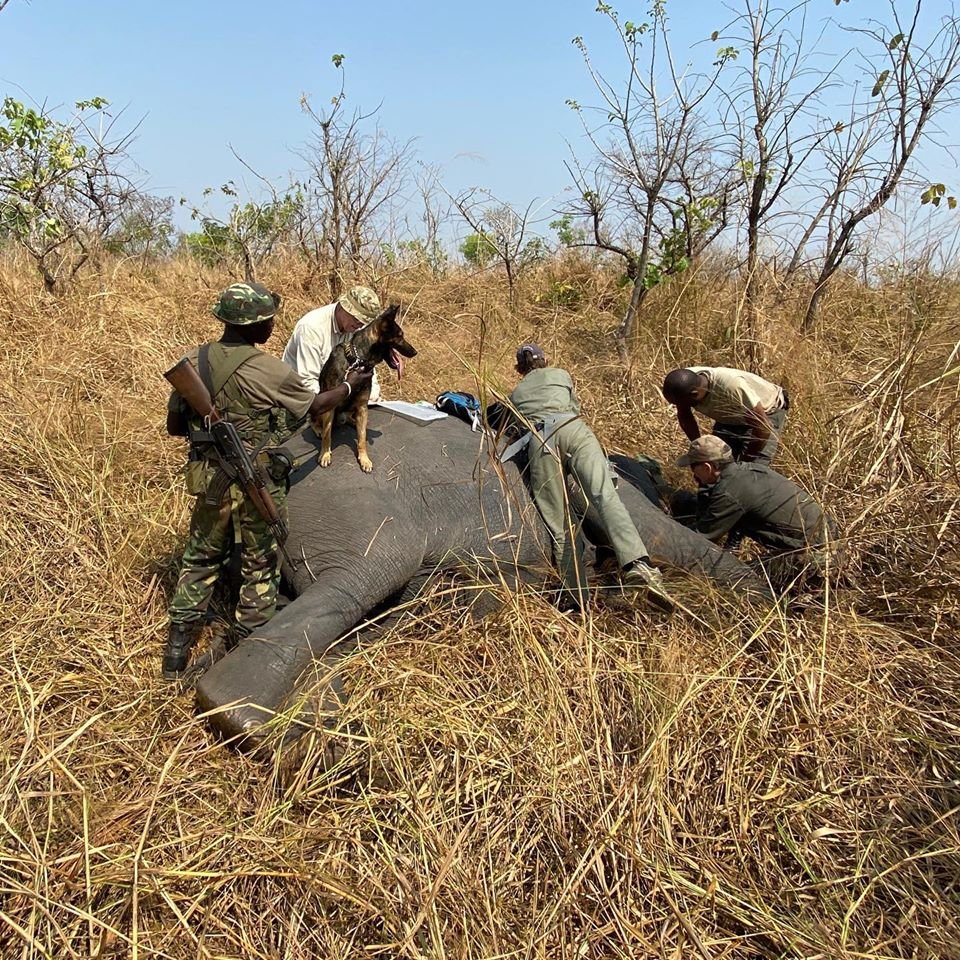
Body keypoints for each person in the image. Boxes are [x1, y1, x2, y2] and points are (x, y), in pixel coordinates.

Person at [163, 281, 372, 681]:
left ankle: (174, 656)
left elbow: (175, 426)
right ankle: (247, 657)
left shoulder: (193, 361)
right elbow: (315, 404)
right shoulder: (270, 369)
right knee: (260, 565)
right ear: (253, 325)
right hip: (254, 481)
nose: (273, 326)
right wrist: (350, 386)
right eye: (269, 320)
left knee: (199, 559)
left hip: (209, 481)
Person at [507, 343, 671, 611]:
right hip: (574, 429)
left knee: (559, 523)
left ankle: (576, 595)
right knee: (604, 496)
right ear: (545, 360)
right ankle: (639, 565)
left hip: (541, 440)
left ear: (519, 369)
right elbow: (574, 406)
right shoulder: (560, 375)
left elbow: (517, 428)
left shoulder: (517, 393)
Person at [675, 434, 837, 582]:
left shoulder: (729, 491)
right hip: (832, 541)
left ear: (707, 467)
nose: (693, 474)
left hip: (816, 557)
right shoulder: (750, 470)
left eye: (693, 468)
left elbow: (702, 536)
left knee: (733, 579)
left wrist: (669, 531)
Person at [282, 285, 403, 404]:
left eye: (363, 321)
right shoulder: (311, 328)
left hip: (335, 394)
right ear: (343, 307)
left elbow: (366, 365)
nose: (359, 324)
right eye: (356, 318)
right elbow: (308, 383)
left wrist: (371, 396)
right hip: (298, 397)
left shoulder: (358, 328)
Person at [662, 365, 789, 464]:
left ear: (694, 394)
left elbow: (762, 428)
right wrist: (700, 447)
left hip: (765, 414)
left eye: (683, 404)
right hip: (729, 416)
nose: (680, 407)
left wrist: (744, 463)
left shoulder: (731, 387)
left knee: (752, 470)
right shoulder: (681, 385)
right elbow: (685, 416)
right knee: (715, 461)